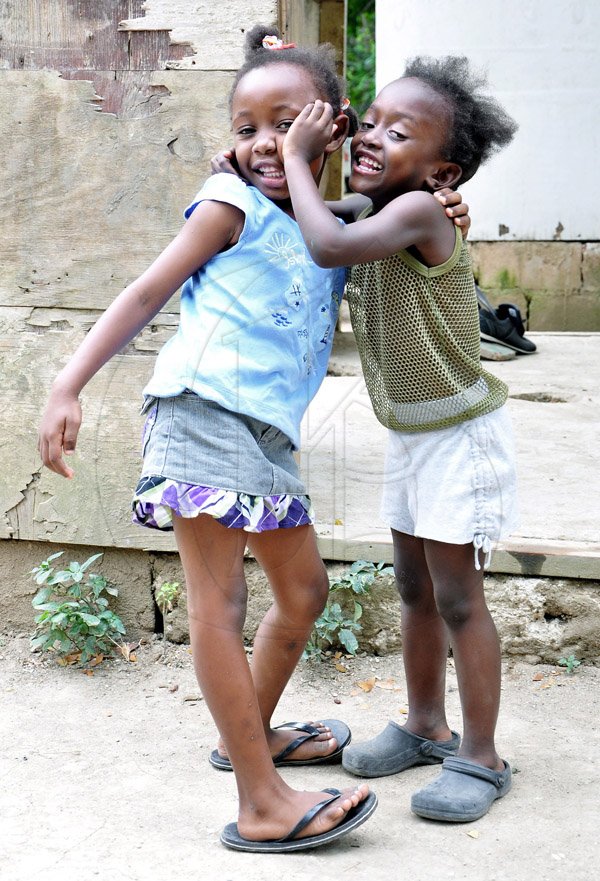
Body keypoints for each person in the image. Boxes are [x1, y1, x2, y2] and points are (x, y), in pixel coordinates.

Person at [38, 24, 379, 853]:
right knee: (219, 604)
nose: (263, 144)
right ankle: (263, 799)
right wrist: (67, 382)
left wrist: (444, 196)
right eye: (245, 128)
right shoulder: (228, 205)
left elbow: (382, 188)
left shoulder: (329, 223)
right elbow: (149, 287)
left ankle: (245, 735)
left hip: (264, 436)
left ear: (330, 126)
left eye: (284, 122)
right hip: (201, 411)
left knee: (303, 595)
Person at [280, 56, 519, 823]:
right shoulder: (369, 206)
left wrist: (295, 156)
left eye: (398, 131)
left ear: (443, 169)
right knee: (414, 587)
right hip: (413, 434)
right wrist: (288, 156)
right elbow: (308, 213)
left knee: (456, 594)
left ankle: (480, 755)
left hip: (461, 435)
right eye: (370, 121)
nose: (373, 136)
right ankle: (424, 722)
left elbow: (325, 243)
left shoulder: (417, 214)